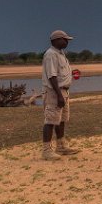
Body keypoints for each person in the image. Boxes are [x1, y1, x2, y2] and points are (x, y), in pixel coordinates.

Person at [41, 30, 80, 160]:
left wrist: (71, 75)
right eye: (65, 39)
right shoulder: (51, 54)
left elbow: (60, 73)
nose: (67, 42)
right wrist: (59, 95)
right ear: (56, 40)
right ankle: (46, 150)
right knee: (50, 120)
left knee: (61, 120)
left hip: (63, 91)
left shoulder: (61, 54)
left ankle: (61, 146)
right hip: (54, 92)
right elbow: (52, 77)